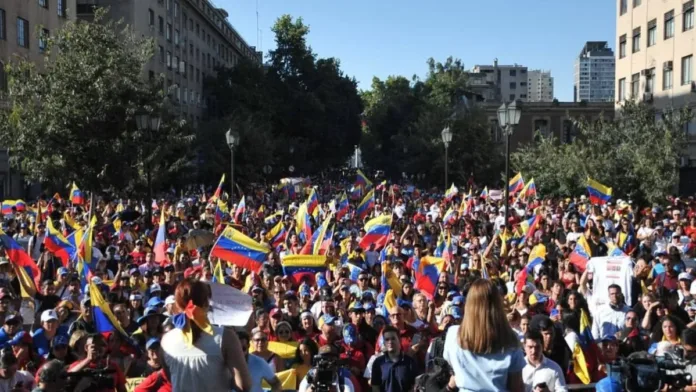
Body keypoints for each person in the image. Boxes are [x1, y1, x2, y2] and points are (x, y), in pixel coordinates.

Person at [160, 278, 251, 392]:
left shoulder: (166, 340)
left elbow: (170, 378)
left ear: (177, 304)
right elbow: (244, 386)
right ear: (206, 303)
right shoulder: (225, 337)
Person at [443, 279, 525, 392]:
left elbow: (452, 364)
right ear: (497, 306)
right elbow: (516, 388)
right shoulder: (510, 339)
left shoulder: (453, 335)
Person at [369, 325, 419, 392]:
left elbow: (415, 387)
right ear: (384, 342)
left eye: (393, 338)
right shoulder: (378, 363)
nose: (390, 342)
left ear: (399, 340)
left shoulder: (410, 363)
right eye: (387, 339)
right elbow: (375, 387)